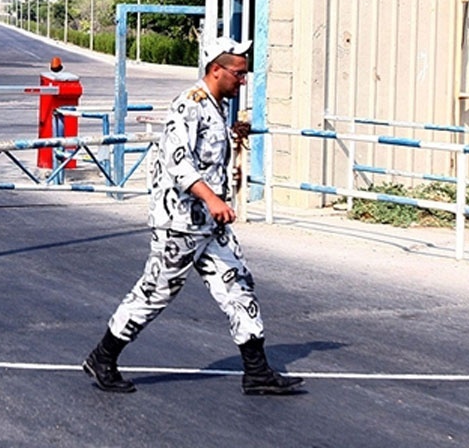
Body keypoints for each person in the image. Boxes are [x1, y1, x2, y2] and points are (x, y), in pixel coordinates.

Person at [82, 39, 304, 396]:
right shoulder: (189, 105)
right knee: (155, 292)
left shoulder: (215, 108)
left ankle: (257, 371)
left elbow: (207, 153)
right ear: (216, 69)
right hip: (180, 223)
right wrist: (213, 199)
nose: (242, 81)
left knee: (238, 286)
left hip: (209, 226)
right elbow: (179, 162)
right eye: (238, 74)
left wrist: (233, 138)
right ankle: (103, 357)